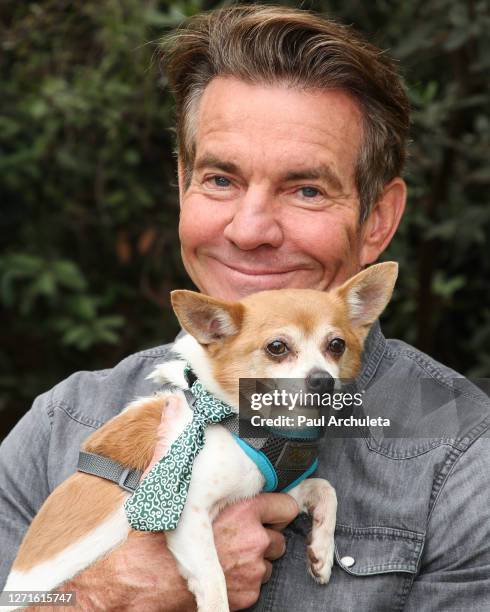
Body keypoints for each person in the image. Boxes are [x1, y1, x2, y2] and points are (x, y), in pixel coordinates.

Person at [1, 5, 489, 611]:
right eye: (220, 180)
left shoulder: (462, 455)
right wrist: (113, 593)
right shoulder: (62, 427)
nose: (251, 229)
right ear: (182, 184)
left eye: (306, 189)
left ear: (378, 221)